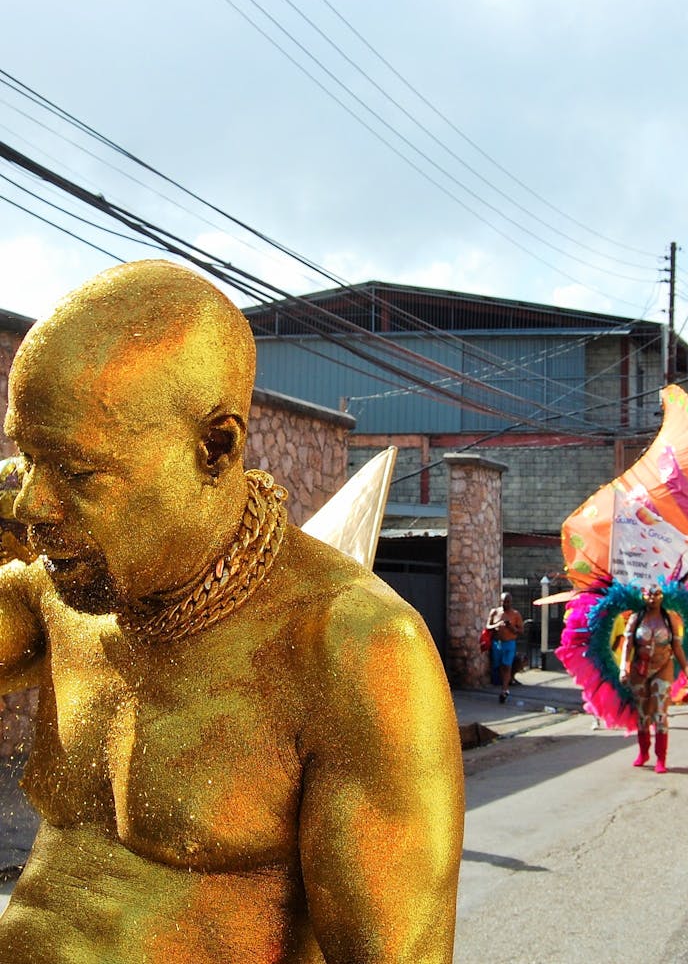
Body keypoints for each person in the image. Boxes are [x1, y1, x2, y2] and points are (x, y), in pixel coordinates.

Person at [0, 260, 464, 963]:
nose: (35, 502)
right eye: (28, 458)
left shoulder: (349, 649)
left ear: (215, 446)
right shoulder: (60, 591)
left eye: (77, 470)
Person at [619, 584, 688, 773]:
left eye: (657, 595)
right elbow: (628, 645)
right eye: (648, 595)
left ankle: (661, 758)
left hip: (663, 667)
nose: (652, 599)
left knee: (660, 713)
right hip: (640, 667)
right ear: (643, 596)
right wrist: (623, 668)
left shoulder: (670, 619)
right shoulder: (636, 618)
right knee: (642, 714)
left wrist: (687, 671)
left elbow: (677, 647)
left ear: (663, 596)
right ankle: (643, 753)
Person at [486, 592, 524, 703]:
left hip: (509, 643)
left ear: (511, 602)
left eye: (507, 602)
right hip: (497, 643)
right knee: (498, 666)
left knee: (506, 666)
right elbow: (487, 626)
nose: (505, 604)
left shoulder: (515, 614)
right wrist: (496, 625)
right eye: (503, 602)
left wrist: (512, 628)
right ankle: (503, 684)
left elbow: (521, 630)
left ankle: (504, 690)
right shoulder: (494, 612)